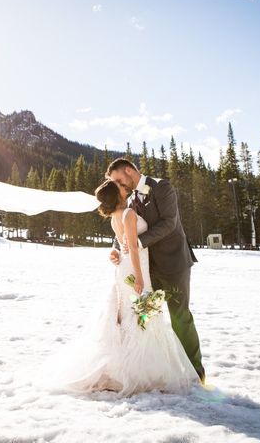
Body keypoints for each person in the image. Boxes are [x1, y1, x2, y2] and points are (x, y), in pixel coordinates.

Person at [37, 178, 200, 397]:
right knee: (140, 317)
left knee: (130, 315)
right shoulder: (129, 214)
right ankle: (140, 371)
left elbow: (122, 244)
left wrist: (118, 256)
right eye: (121, 187)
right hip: (134, 268)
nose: (125, 187)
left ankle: (126, 367)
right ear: (119, 194)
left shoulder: (116, 217)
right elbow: (133, 247)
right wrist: (140, 278)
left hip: (124, 268)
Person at [107, 158, 205, 383]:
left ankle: (196, 373)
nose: (118, 186)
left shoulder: (162, 187)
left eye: (119, 180)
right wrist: (115, 250)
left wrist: (138, 243)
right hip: (148, 271)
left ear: (130, 171)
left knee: (180, 317)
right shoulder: (128, 198)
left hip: (174, 265)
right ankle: (156, 371)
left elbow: (170, 223)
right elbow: (124, 230)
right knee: (145, 318)